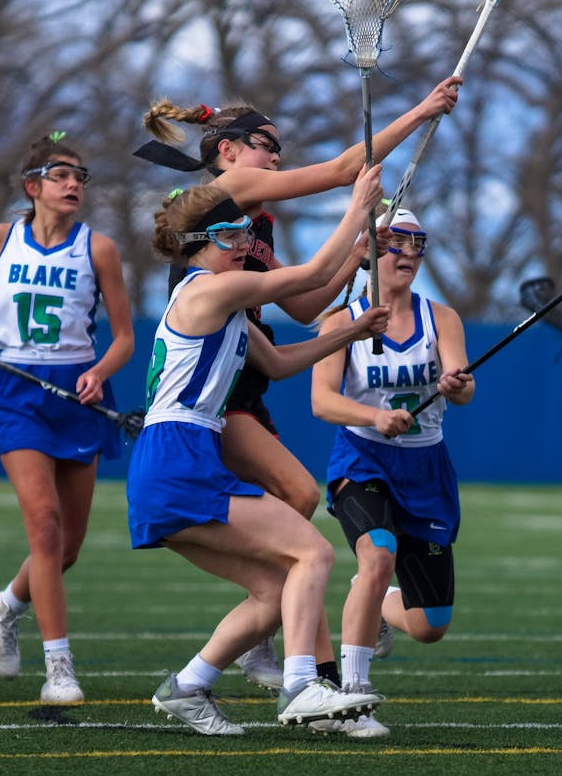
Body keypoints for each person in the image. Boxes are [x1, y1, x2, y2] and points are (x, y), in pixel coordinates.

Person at [134, 75, 461, 689]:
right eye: (265, 143)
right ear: (227, 150)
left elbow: (309, 303)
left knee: (298, 516)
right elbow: (343, 169)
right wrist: (424, 109)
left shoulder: (245, 229)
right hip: (212, 400)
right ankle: (307, 667)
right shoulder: (232, 194)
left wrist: (359, 260)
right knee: (304, 515)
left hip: (240, 379)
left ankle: (275, 629)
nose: (275, 158)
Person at [130, 170, 391, 736]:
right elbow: (314, 274)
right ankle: (302, 686)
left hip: (174, 459)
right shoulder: (213, 289)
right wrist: (358, 209)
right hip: (181, 455)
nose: (245, 245)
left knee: (275, 589)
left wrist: (352, 330)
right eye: (232, 237)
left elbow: (278, 366)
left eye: (247, 234)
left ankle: (188, 686)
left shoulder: (229, 310)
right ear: (203, 242)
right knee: (314, 554)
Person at [0, 132, 133, 705]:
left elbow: (125, 339)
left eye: (80, 177)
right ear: (32, 186)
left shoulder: (100, 249)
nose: (73, 186)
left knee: (68, 547)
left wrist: (98, 371)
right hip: (15, 391)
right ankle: (59, 667)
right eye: (61, 176)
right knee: (44, 525)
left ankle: (6, 605)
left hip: (77, 395)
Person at [308, 207, 474, 739]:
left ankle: (374, 599)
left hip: (427, 467)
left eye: (417, 243)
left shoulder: (442, 318)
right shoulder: (341, 322)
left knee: (430, 626)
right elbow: (321, 401)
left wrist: (455, 383)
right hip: (363, 459)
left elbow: (465, 388)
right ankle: (352, 699)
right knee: (378, 554)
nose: (407, 254)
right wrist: (374, 416)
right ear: (373, 251)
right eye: (395, 242)